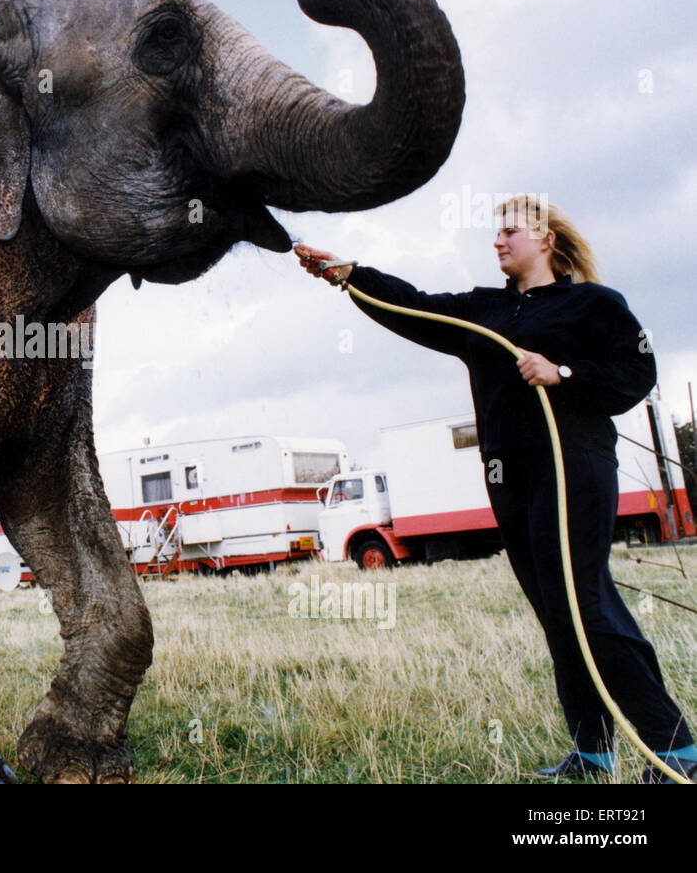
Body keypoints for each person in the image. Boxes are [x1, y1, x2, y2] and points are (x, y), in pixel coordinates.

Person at [295, 195, 696, 783]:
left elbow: (637, 374)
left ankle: (674, 750)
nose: (497, 240)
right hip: (510, 472)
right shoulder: (485, 311)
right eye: (496, 231)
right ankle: (593, 754)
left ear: (546, 240)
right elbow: (417, 309)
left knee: (583, 604)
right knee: (554, 612)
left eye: (510, 231)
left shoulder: (592, 305)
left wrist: (562, 374)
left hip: (573, 464)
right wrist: (352, 276)